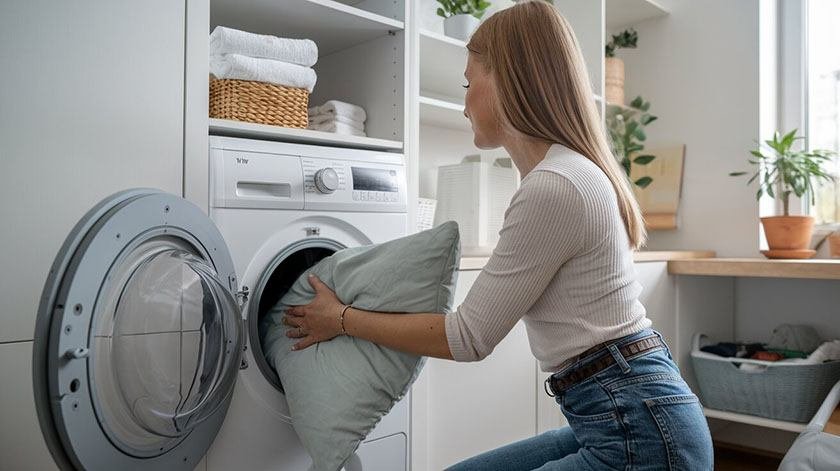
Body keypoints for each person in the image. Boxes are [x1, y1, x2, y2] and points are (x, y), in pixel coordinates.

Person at [282, 1, 713, 469]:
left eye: (470, 84)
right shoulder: (565, 175)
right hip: (628, 414)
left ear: (508, 81)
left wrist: (341, 318)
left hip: (638, 431)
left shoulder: (556, 185)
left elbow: (469, 337)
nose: (465, 102)